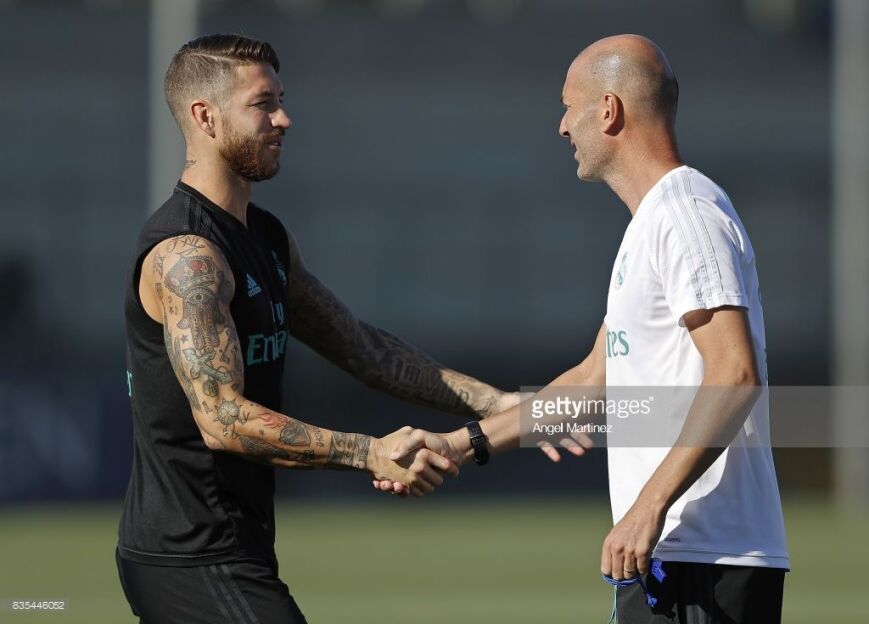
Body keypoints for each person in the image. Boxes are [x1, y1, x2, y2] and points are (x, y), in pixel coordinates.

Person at [117, 33, 526, 624]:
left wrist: (500, 405)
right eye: (263, 105)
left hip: (235, 546)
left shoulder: (266, 237)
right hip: (190, 557)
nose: (284, 119)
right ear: (205, 117)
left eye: (281, 101)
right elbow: (222, 419)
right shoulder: (188, 257)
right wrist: (370, 453)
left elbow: (363, 349)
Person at [381, 34, 789, 623]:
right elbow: (593, 379)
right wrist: (459, 444)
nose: (561, 126)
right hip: (671, 555)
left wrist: (648, 506)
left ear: (608, 110)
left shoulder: (686, 215)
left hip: (706, 557)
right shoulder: (649, 225)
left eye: (568, 107)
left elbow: (735, 374)